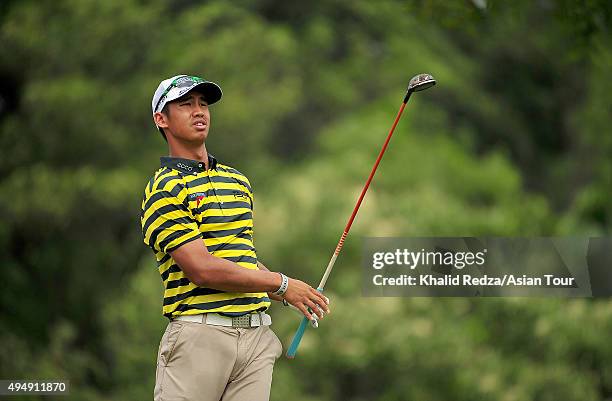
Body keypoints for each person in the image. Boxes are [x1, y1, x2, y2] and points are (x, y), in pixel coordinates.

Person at [140, 74, 330, 401]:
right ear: (162, 119)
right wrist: (281, 283)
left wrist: (287, 294)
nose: (199, 111)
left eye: (203, 104)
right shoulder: (164, 189)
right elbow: (202, 269)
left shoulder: (236, 181)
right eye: (185, 104)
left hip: (256, 337)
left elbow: (239, 257)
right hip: (200, 335)